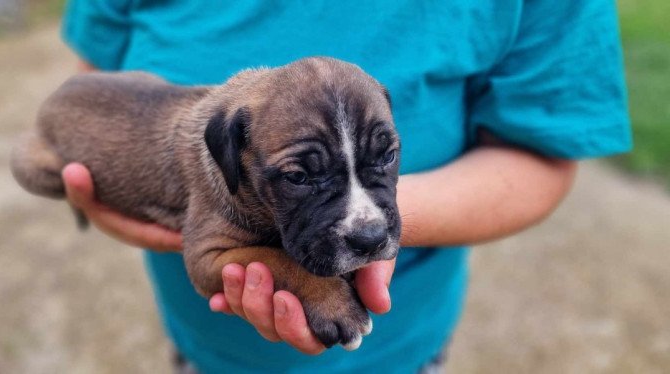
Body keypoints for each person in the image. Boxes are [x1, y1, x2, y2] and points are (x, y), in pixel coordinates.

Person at [59, 1, 632, 372]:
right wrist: (100, 174)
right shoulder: (222, 134)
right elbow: (96, 90)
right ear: (228, 151)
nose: (366, 216)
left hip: (401, 348)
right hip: (208, 349)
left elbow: (543, 154)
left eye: (384, 157)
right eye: (300, 175)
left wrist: (391, 226)